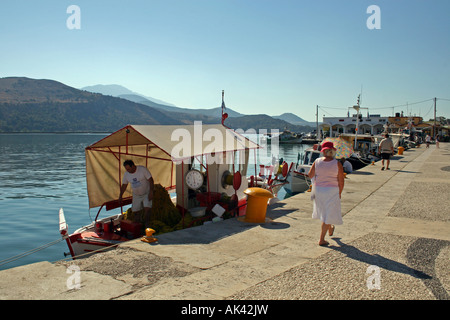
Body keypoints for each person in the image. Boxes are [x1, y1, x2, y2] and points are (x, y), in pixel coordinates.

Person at [308, 141, 345, 246]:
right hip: (332, 191)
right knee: (328, 213)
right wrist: (340, 192)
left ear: (323, 151)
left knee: (325, 212)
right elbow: (341, 181)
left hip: (319, 190)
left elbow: (310, 175)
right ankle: (321, 239)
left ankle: (330, 228)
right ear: (332, 151)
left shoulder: (317, 161)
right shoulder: (337, 164)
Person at [119, 160, 154, 224]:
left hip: (146, 193)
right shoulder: (126, 174)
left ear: (133, 166)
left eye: (129, 169)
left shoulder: (142, 169)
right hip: (136, 195)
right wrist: (120, 195)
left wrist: (151, 192)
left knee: (147, 209)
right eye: (126, 169)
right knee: (135, 211)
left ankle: (147, 225)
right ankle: (138, 225)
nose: (128, 171)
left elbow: (151, 180)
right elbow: (124, 185)